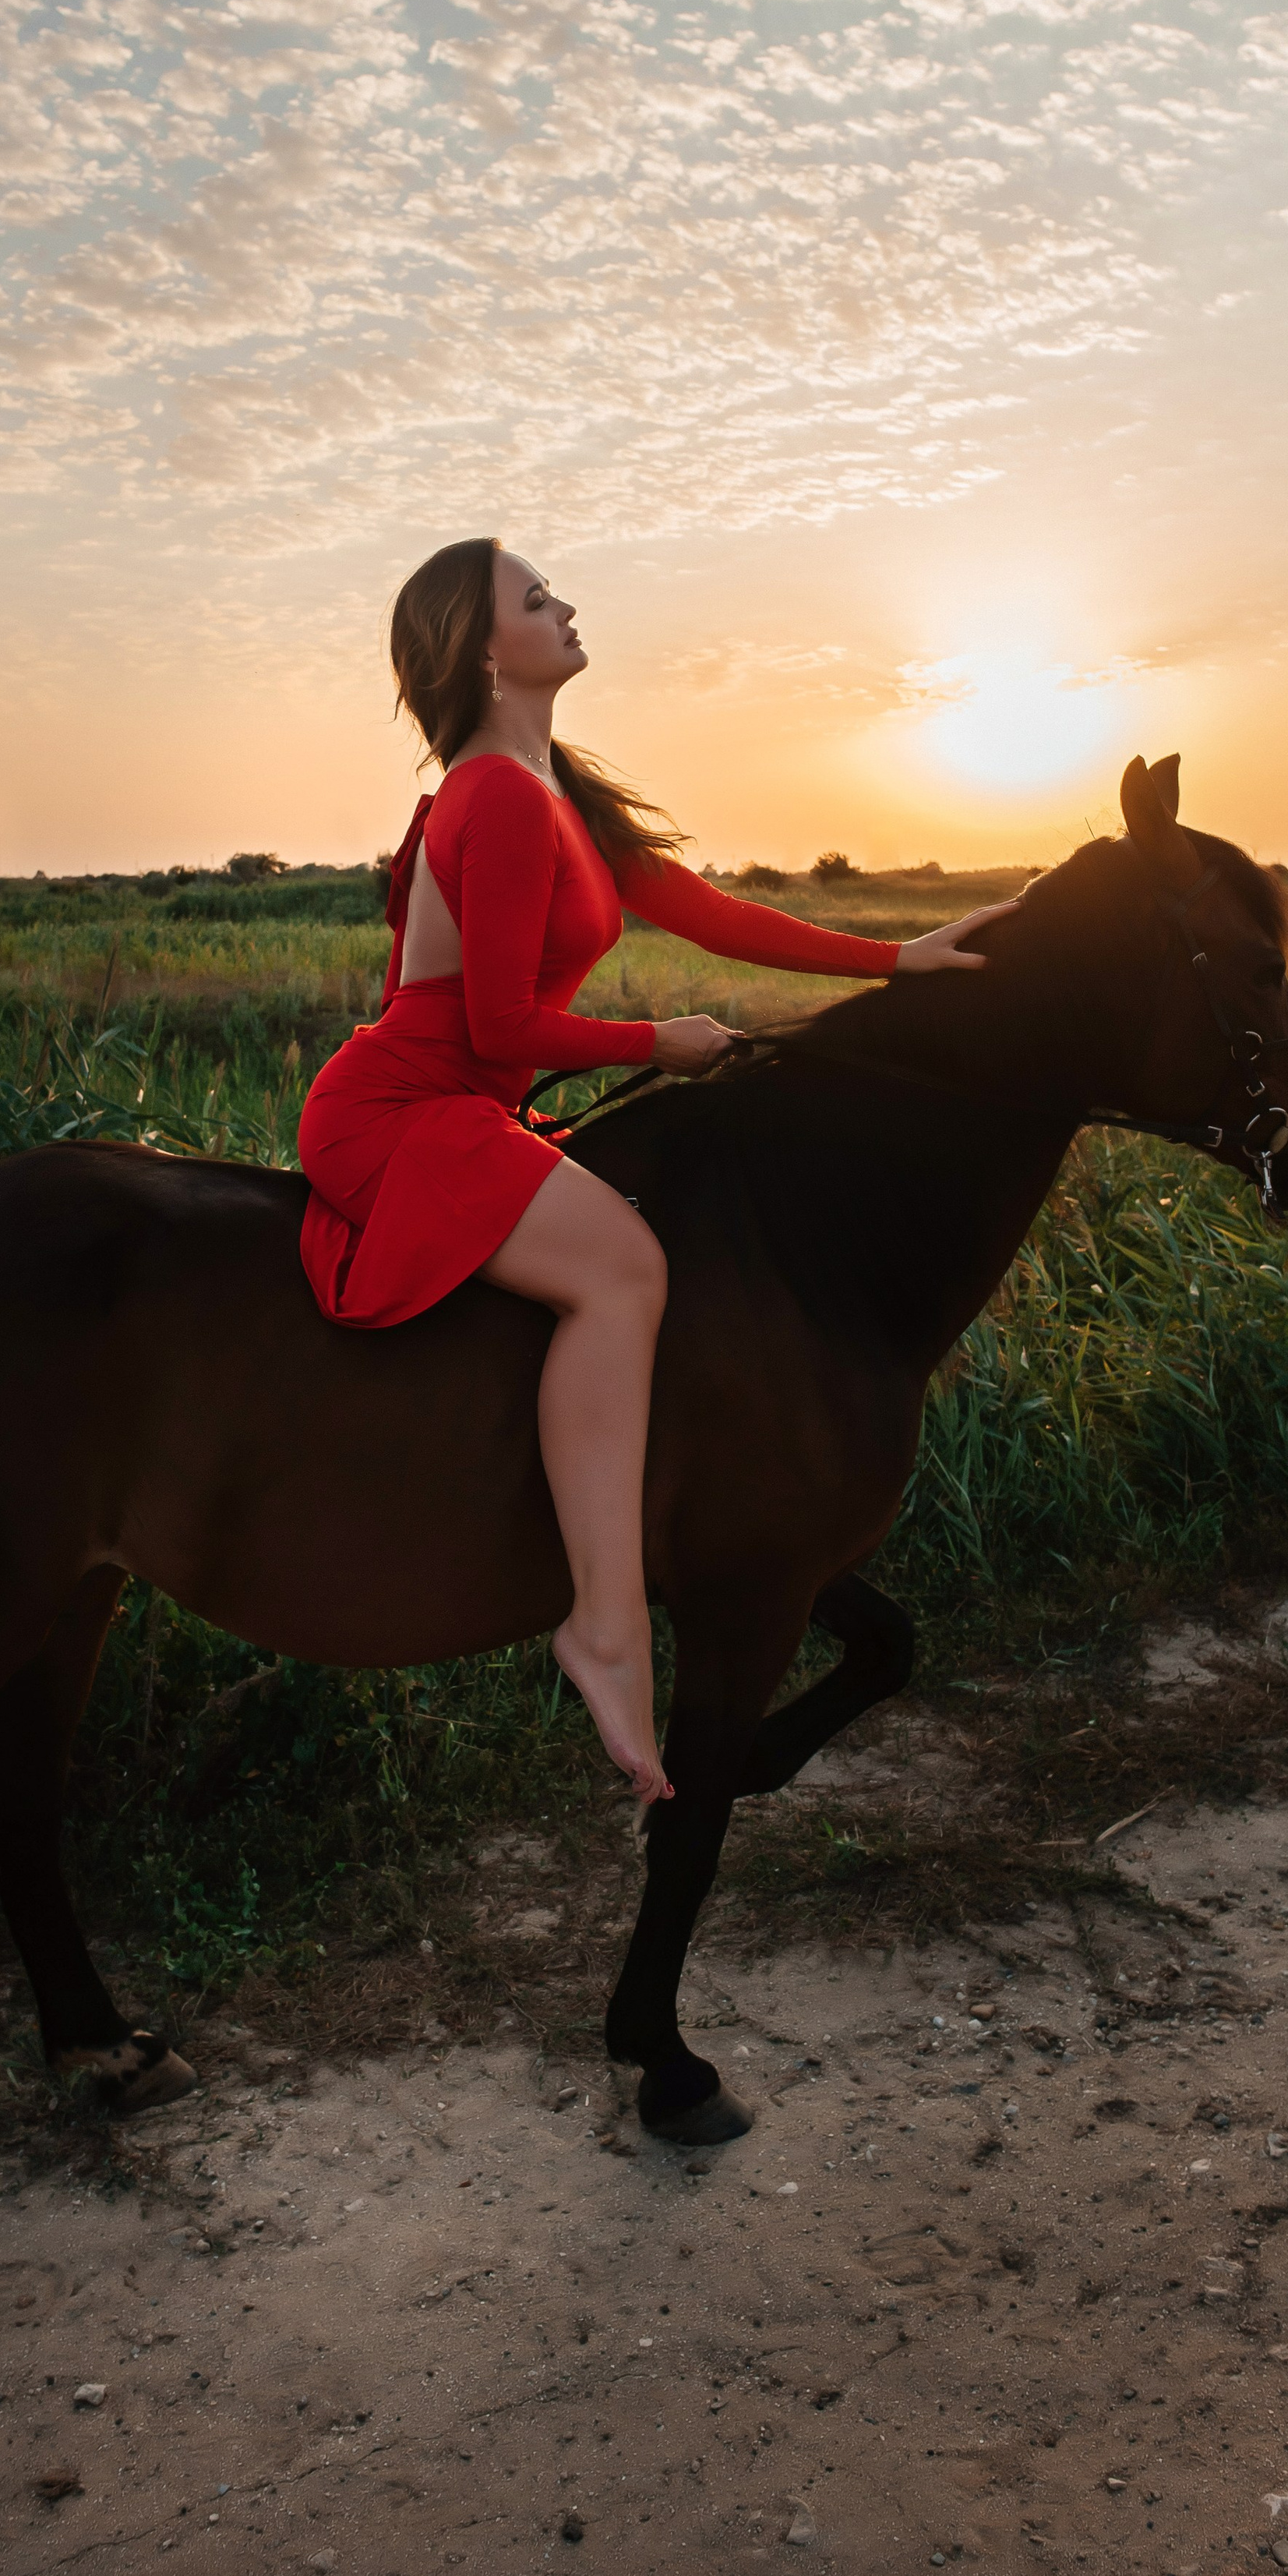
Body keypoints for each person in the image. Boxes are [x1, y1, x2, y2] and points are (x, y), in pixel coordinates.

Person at [298, 539, 1013, 1804]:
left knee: (630, 1253)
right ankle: (604, 1623)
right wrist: (663, 1045)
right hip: (407, 1109)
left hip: (458, 1103)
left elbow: (703, 908)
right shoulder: (498, 797)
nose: (565, 607)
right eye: (535, 599)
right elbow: (503, 1028)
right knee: (625, 1268)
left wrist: (900, 959)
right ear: (480, 648)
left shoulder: (545, 783)